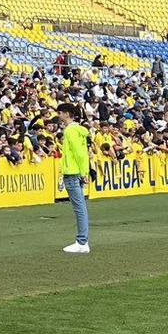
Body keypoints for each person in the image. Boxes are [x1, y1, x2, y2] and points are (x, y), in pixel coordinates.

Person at [59, 107, 91, 254]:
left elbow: (79, 153)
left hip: (72, 172)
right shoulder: (79, 130)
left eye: (60, 113)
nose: (58, 116)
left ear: (66, 114)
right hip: (76, 171)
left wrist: (84, 171)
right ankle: (82, 241)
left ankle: (82, 241)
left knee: (79, 208)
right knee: (80, 207)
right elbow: (82, 153)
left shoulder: (70, 131)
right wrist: (84, 171)